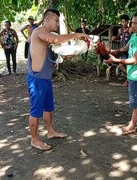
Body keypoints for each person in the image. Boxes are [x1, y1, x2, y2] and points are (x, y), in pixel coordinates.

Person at [27, 9, 87, 150]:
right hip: (37, 79)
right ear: (47, 19)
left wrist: (64, 56)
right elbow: (55, 40)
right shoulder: (39, 31)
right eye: (55, 20)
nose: (57, 23)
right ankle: (34, 139)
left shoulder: (48, 35)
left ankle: (50, 131)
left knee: (48, 107)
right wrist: (76, 35)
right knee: (36, 110)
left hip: (45, 78)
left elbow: (52, 54)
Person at [104, 10, 137, 135]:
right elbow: (126, 48)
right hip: (134, 74)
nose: (133, 25)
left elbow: (135, 60)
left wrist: (116, 59)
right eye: (132, 23)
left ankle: (131, 126)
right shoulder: (135, 35)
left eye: (136, 23)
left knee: (136, 102)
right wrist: (114, 51)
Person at [112, 14, 132, 86]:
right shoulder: (120, 30)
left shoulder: (130, 29)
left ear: (128, 22)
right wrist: (115, 37)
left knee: (121, 66)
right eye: (123, 22)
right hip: (121, 51)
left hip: (128, 51)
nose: (124, 23)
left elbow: (133, 38)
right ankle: (128, 80)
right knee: (123, 66)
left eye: (126, 22)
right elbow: (119, 37)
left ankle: (131, 78)